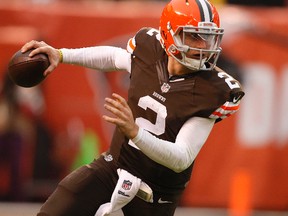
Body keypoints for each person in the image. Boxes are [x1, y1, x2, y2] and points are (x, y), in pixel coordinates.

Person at [21, 0, 245, 215]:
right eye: (194, 37)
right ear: (170, 34)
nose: (204, 46)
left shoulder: (215, 90)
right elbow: (113, 56)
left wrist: (135, 133)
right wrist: (61, 55)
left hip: (157, 190)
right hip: (117, 164)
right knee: (59, 206)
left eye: (209, 37)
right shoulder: (149, 49)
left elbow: (181, 158)